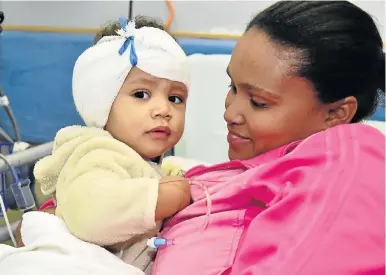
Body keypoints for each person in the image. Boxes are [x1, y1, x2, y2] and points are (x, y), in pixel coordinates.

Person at [151, 1, 385, 274]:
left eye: (258, 102)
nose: (231, 113)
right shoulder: (275, 165)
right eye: (232, 87)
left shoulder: (350, 165)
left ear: (336, 113)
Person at [1, 15, 190, 275]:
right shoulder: (97, 154)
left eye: (176, 98)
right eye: (141, 94)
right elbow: (91, 215)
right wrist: (159, 198)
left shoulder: (140, 160)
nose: (164, 109)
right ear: (101, 102)